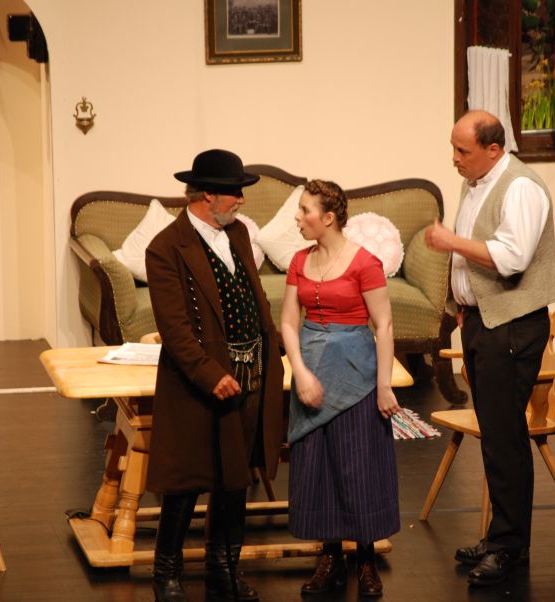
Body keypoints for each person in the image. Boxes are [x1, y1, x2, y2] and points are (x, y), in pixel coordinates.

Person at [425, 110, 555, 587]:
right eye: (453, 147)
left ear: (493, 149)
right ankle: (500, 535)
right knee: (494, 434)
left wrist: (450, 242)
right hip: (484, 321)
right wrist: (465, 305)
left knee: (505, 438)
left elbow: (511, 256)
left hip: (513, 326)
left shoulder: (520, 187)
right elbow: (478, 256)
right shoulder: (475, 182)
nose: (454, 158)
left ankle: (510, 547)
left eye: (463, 150)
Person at [145, 149, 284, 602]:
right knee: (186, 480)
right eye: (234, 192)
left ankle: (222, 568)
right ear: (208, 195)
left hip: (251, 373)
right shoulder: (167, 247)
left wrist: (271, 349)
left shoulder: (238, 233)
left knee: (235, 476)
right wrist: (208, 373)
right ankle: (167, 574)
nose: (241, 200)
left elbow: (254, 295)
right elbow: (175, 327)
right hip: (199, 383)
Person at [280, 179, 402, 598]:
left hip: (356, 374)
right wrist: (299, 371)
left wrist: (383, 385)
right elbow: (288, 321)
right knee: (318, 468)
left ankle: (365, 559)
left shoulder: (365, 263)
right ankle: (329, 556)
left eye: (305, 210)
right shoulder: (299, 260)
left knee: (357, 466)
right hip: (312, 371)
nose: (298, 217)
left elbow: (384, 324)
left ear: (328, 218)